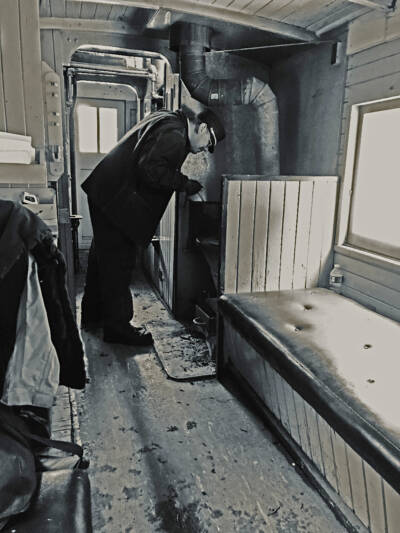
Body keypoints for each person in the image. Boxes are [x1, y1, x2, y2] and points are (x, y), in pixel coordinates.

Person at [81, 105, 225, 346]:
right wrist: (185, 184)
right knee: (118, 264)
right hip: (117, 201)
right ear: (200, 127)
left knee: (102, 259)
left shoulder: (167, 118)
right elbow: (150, 169)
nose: (202, 150)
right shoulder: (176, 135)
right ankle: (118, 329)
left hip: (106, 193)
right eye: (206, 142)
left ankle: (92, 314)